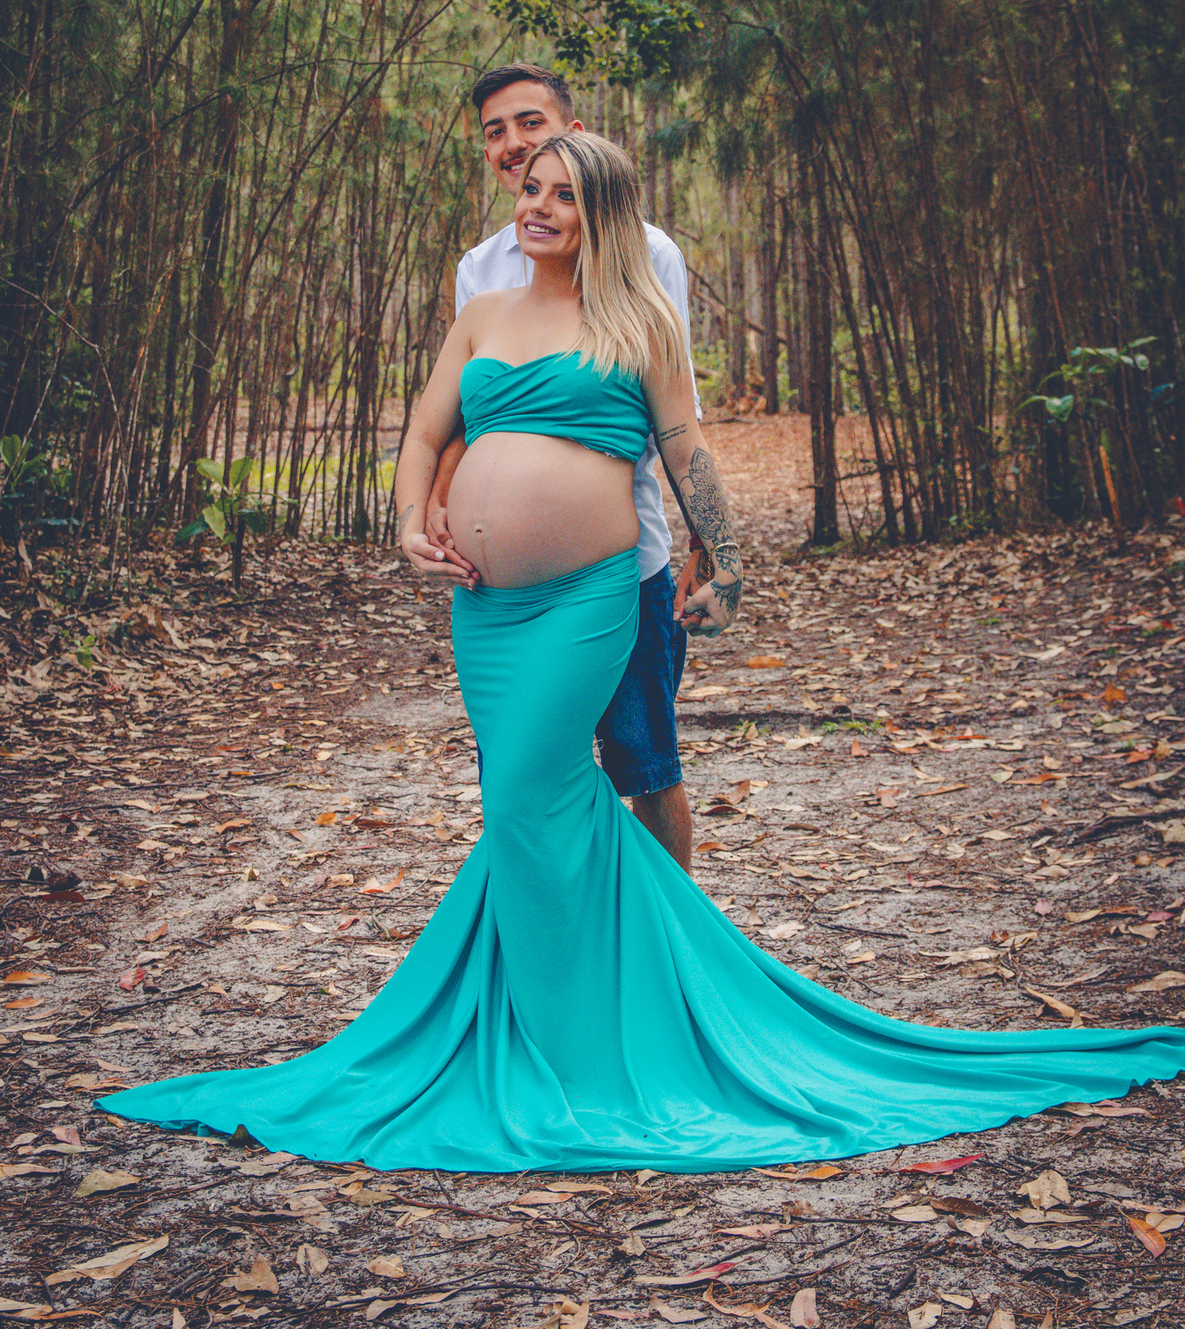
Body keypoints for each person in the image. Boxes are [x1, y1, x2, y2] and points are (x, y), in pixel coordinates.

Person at [99, 134, 1185, 1174]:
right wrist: (405, 520)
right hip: (483, 614)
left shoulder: (642, 325)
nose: (536, 205)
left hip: (588, 598)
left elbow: (688, 456)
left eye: (563, 193)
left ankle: (582, 1046)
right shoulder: (479, 318)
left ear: (603, 214)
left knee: (531, 789)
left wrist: (730, 562)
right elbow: (427, 435)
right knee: (531, 800)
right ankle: (578, 1007)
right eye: (530, 186)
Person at [423, 62, 700, 871]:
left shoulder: (650, 257)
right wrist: (440, 507)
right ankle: (553, 951)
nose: (513, 145)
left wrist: (712, 548)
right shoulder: (481, 270)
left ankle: (665, 950)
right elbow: (463, 418)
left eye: (529, 123)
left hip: (621, 570)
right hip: (494, 594)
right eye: (496, 132)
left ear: (574, 134)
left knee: (644, 768)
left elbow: (674, 423)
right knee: (520, 780)